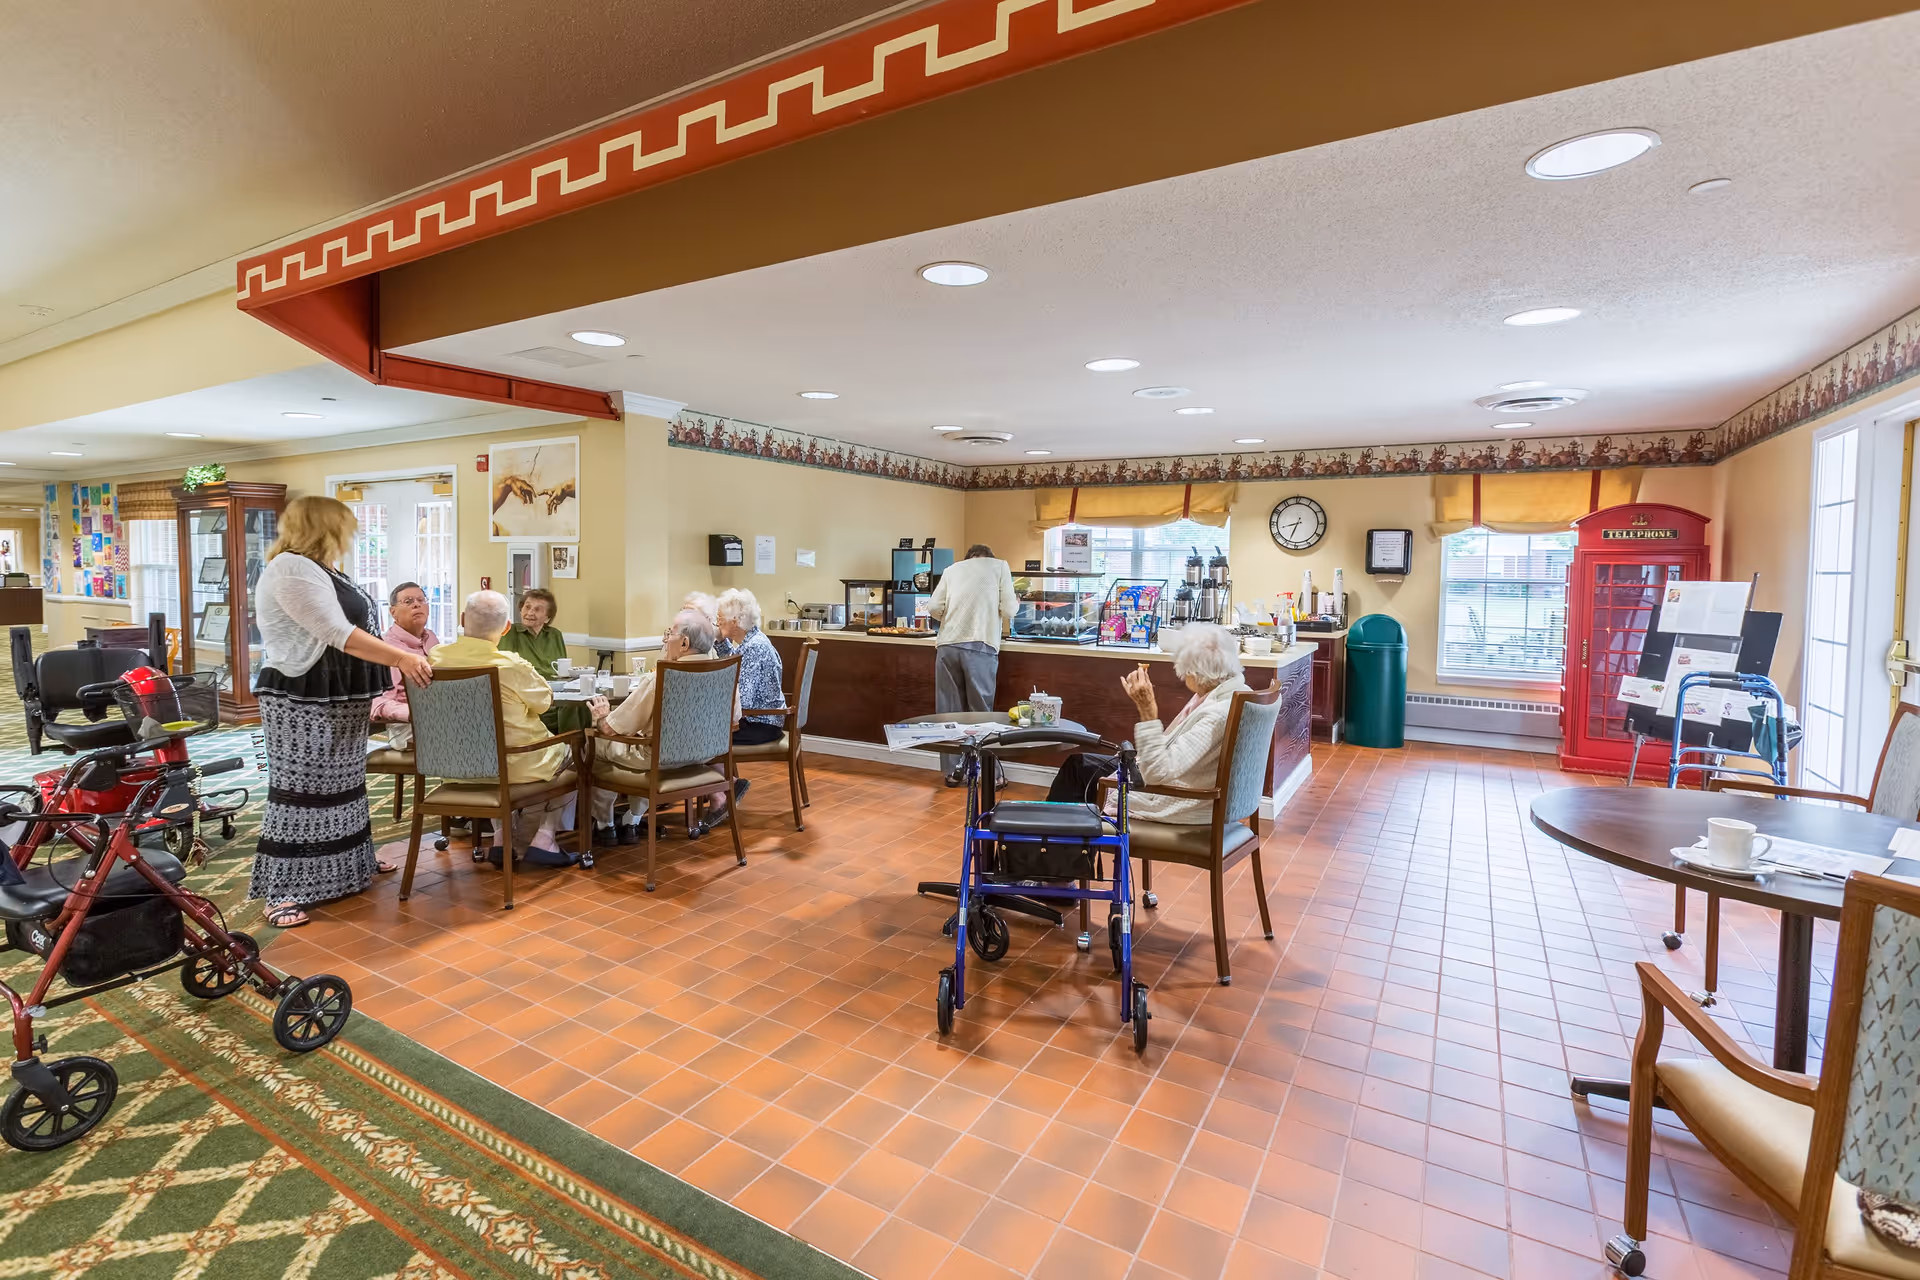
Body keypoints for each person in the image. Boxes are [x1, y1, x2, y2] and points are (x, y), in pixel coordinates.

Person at [249, 496, 433, 928]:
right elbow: (337, 632)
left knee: (344, 786)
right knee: (302, 792)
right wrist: (401, 659)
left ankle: (350, 868)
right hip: (301, 696)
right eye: (345, 527)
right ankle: (283, 890)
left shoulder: (323, 569)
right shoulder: (290, 568)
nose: (351, 536)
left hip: (338, 697)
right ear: (323, 527)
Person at [432, 590, 582, 866]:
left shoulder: (435, 658)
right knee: (577, 755)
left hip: (452, 765)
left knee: (494, 751)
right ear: (506, 628)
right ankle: (545, 838)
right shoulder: (511, 665)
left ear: (463, 619)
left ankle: (501, 836)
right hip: (514, 765)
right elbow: (544, 704)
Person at [1045, 624, 1250, 821]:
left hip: (1174, 798)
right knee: (1078, 764)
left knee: (1077, 773)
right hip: (1176, 778)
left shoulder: (1215, 715)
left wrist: (1147, 711)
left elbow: (1157, 772)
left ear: (1194, 673)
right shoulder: (1233, 692)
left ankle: (1049, 850)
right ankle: (1062, 850)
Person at [583, 608, 739, 842]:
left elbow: (611, 729)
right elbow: (735, 716)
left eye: (670, 634)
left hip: (659, 759)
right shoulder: (724, 671)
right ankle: (632, 820)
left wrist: (601, 716)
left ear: (684, 643)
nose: (665, 640)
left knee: (593, 744)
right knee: (649, 741)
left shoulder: (662, 677)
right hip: (702, 756)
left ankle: (604, 826)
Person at [925, 543, 1017, 784]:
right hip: (980, 643)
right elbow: (1009, 609)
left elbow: (933, 607)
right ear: (989, 557)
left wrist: (950, 617)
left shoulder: (952, 569)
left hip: (947, 645)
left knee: (948, 713)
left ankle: (954, 773)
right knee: (981, 712)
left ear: (968, 559)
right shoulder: (1000, 567)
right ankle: (991, 776)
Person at [497, 586, 588, 733]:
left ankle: (579, 748)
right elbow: (506, 669)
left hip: (556, 691)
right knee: (570, 708)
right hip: (528, 694)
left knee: (582, 704)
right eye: (527, 607)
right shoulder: (509, 633)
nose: (530, 612)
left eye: (537, 609)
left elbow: (562, 670)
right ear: (520, 609)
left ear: (547, 617)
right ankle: (570, 746)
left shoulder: (554, 635)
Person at [368, 581, 437, 745]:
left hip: (438, 713)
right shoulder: (385, 648)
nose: (416, 605)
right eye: (408, 601)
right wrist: (415, 713)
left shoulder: (431, 638)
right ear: (393, 612)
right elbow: (378, 702)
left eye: (421, 600)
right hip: (406, 725)